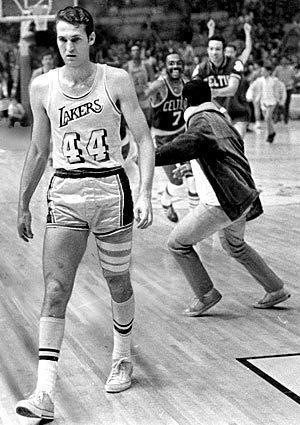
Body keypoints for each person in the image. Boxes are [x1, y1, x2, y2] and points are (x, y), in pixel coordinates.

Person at [16, 6, 154, 420]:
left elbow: (145, 140)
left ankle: (122, 356)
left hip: (112, 191)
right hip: (67, 193)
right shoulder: (42, 87)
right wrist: (22, 202)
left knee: (118, 283)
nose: (68, 47)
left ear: (91, 39)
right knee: (56, 290)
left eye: (76, 39)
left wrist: (146, 192)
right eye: (61, 39)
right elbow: (39, 150)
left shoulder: (116, 80)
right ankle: (43, 393)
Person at [155, 79, 290, 317]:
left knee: (177, 243)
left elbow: (185, 144)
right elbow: (219, 153)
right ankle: (275, 289)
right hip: (243, 197)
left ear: (185, 102)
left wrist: (148, 156)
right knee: (234, 245)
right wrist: (193, 168)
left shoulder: (199, 121)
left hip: (222, 202)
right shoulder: (221, 120)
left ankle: (206, 295)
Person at [145, 52, 198, 222]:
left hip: (182, 136)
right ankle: (166, 203)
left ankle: (195, 220)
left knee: (192, 179)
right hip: (163, 142)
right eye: (171, 64)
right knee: (176, 181)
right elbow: (138, 99)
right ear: (165, 66)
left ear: (183, 65)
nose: (175, 67)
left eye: (178, 63)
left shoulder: (187, 84)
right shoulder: (159, 86)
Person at [192, 35, 247, 137]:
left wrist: (211, 92)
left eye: (217, 49)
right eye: (211, 49)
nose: (214, 52)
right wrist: (220, 110)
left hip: (237, 112)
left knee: (236, 144)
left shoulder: (235, 63)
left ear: (224, 50)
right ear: (207, 50)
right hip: (215, 113)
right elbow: (196, 93)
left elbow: (232, 89)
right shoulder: (201, 68)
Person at [246, 64, 286, 143]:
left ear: (269, 72)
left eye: (264, 71)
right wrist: (249, 96)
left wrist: (282, 101)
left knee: (268, 118)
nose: (262, 72)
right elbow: (251, 88)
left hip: (272, 101)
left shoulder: (275, 80)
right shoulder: (259, 80)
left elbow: (282, 89)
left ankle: (269, 134)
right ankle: (272, 132)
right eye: (261, 71)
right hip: (263, 102)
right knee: (268, 119)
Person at [123, 44, 155, 125]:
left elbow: (152, 78)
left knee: (147, 119)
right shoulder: (127, 65)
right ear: (131, 53)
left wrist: (151, 91)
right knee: (134, 120)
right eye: (133, 50)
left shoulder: (146, 64)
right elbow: (121, 80)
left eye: (137, 50)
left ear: (140, 52)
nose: (135, 52)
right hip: (133, 95)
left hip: (144, 94)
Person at [273, 57, 296, 124]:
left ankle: (286, 119)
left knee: (287, 104)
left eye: (285, 60)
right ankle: (276, 118)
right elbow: (273, 76)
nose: (284, 61)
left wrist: (290, 82)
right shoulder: (278, 68)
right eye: (282, 60)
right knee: (277, 103)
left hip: (288, 88)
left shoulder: (291, 69)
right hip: (280, 89)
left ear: (287, 60)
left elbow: (294, 78)